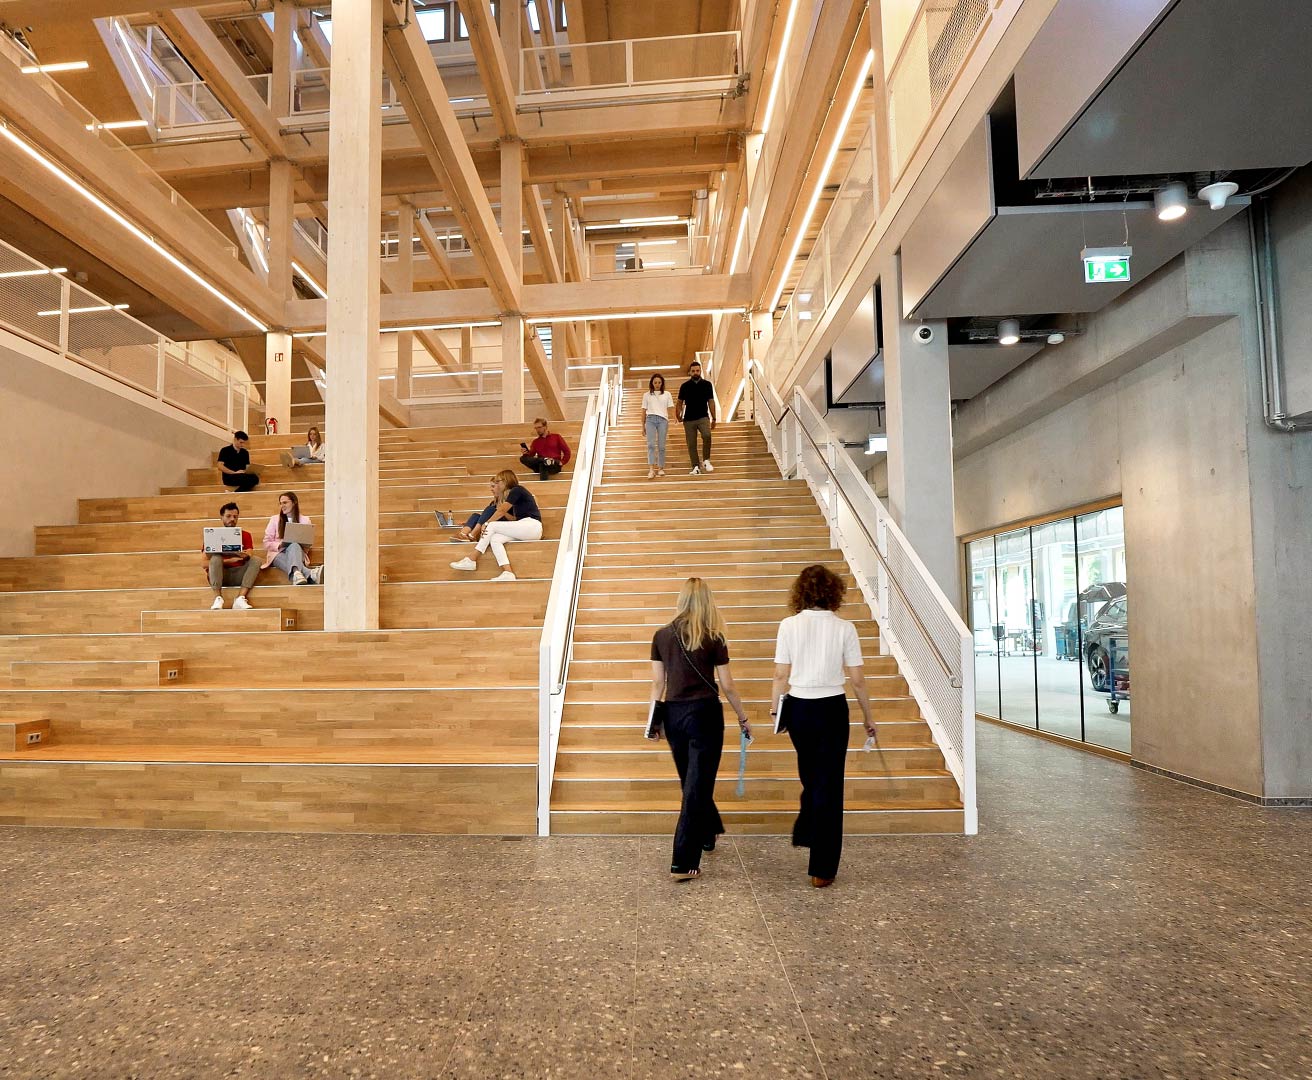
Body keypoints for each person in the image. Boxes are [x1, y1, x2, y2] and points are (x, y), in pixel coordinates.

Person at [770, 564, 875, 889]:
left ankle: (807, 827)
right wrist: (868, 716)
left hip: (799, 708)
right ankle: (823, 868)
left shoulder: (788, 625)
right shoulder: (845, 628)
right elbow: (857, 680)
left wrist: (775, 710)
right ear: (833, 592)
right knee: (829, 785)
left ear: (800, 592)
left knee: (811, 776)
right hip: (832, 709)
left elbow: (780, 674)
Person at [649, 577, 751, 882]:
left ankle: (708, 831)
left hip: (674, 715)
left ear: (681, 600)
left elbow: (658, 683)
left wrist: (654, 721)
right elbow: (728, 685)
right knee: (696, 785)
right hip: (705, 715)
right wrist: (743, 717)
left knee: (692, 782)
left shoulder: (661, 636)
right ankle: (683, 862)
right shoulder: (714, 637)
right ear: (707, 602)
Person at [448, 469, 541, 582]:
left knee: (491, 525)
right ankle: (508, 572)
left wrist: (487, 523)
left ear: (506, 481)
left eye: (498, 482)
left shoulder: (517, 489)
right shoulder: (514, 494)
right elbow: (514, 518)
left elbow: (501, 511)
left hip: (532, 525)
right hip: (525, 528)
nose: (496, 485)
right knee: (495, 539)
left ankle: (471, 559)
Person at [261, 491, 324, 586]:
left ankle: (297, 574)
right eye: (280, 503)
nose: (282, 506)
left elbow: (307, 545)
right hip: (277, 554)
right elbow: (266, 543)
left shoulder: (305, 520)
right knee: (292, 545)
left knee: (294, 544)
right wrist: (280, 545)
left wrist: (297, 545)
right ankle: (310, 574)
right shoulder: (274, 519)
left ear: (294, 502)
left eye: (285, 503)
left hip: (297, 552)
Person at [204, 502, 259, 610]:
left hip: (240, 574)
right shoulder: (213, 536)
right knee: (215, 558)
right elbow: (204, 563)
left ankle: (240, 598)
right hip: (220, 575)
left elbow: (250, 554)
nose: (232, 519)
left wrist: (241, 554)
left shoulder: (245, 535)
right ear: (222, 517)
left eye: (235, 516)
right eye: (228, 516)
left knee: (256, 560)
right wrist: (229, 560)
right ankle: (218, 598)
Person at [676, 360, 716, 475]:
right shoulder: (684, 386)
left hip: (703, 417)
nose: (695, 373)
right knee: (691, 444)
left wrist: (714, 418)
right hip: (688, 419)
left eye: (697, 371)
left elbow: (711, 401)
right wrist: (678, 415)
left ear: (700, 371)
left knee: (707, 435)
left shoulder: (707, 385)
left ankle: (706, 460)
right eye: (693, 371)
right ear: (690, 372)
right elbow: (679, 402)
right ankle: (695, 466)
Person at [641, 373, 674, 479]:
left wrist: (675, 418)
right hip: (650, 419)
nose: (657, 384)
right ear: (652, 383)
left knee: (661, 445)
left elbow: (671, 407)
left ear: (662, 383)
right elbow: (643, 410)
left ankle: (660, 468)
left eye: (659, 382)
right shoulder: (646, 395)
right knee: (651, 445)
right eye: (655, 382)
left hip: (663, 420)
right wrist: (642, 426)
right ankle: (651, 469)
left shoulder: (667, 394)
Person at [452, 476, 499, 543]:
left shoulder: (507, 502)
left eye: (493, 486)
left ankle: (472, 535)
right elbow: (485, 516)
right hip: (491, 521)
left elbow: (512, 518)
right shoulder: (494, 502)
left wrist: (499, 510)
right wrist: (469, 522)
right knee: (476, 515)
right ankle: (463, 534)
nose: (491, 489)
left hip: (500, 522)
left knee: (489, 509)